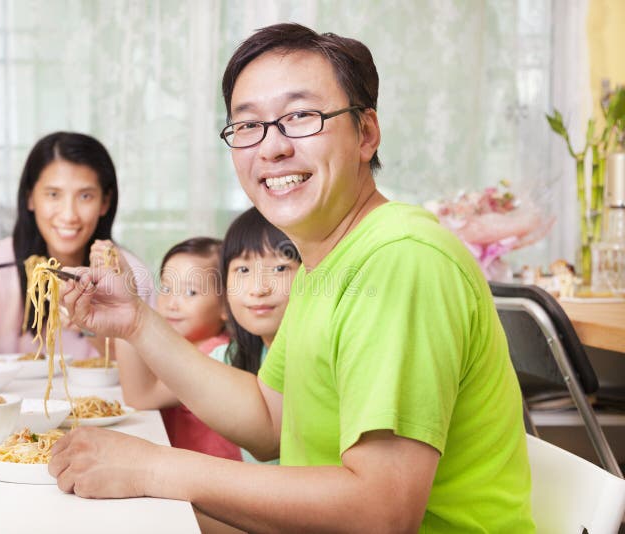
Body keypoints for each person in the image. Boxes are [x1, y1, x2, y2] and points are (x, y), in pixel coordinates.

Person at [52, 24, 534, 532]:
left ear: (365, 133)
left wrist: (153, 466)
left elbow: (383, 511)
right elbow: (268, 422)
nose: (272, 147)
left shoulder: (401, 261)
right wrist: (136, 322)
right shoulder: (323, 264)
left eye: (301, 116)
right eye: (247, 125)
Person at [0, 131, 154, 365]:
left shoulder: (127, 274)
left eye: (85, 196)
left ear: (105, 203)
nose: (69, 215)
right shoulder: (1, 260)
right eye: (53, 194)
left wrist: (91, 326)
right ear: (30, 197)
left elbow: (153, 378)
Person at [119, 209, 301, 464]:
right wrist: (124, 310)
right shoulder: (230, 356)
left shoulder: (311, 358)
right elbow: (143, 395)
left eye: (280, 267)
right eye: (244, 270)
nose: (259, 288)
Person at [119, 237, 241, 460]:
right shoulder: (176, 346)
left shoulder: (219, 355)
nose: (172, 303)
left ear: (226, 304)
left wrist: (124, 311)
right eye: (166, 288)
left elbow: (141, 396)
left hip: (211, 486)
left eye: (190, 293)